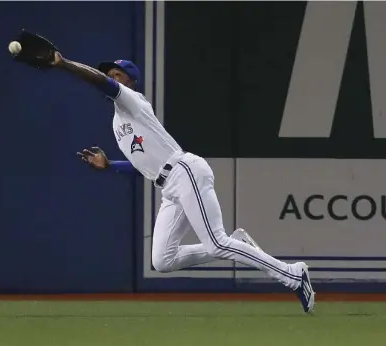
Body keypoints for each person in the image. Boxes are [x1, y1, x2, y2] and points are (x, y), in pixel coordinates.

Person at [51, 52, 315, 313]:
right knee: (163, 260)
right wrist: (110, 166)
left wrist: (64, 64)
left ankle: (292, 274)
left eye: (117, 75)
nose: (111, 78)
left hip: (185, 172)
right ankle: (238, 244)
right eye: (110, 74)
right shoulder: (117, 122)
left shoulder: (133, 101)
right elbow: (146, 167)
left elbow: (100, 81)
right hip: (168, 186)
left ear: (130, 82)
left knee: (218, 243)